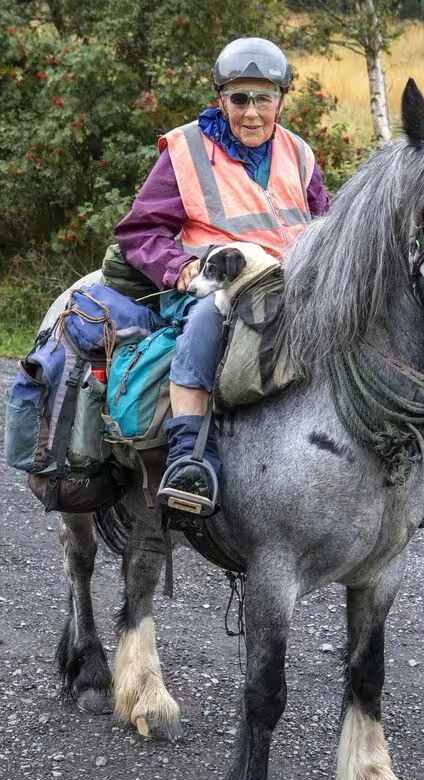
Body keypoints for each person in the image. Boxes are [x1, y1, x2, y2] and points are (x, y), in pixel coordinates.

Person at [114, 36, 330, 514]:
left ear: (280, 99)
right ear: (220, 99)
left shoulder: (299, 153)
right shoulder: (186, 150)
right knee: (208, 318)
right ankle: (190, 457)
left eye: (263, 99)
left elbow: (325, 226)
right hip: (211, 286)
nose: (251, 112)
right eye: (239, 99)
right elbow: (141, 231)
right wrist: (180, 268)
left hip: (291, 286)